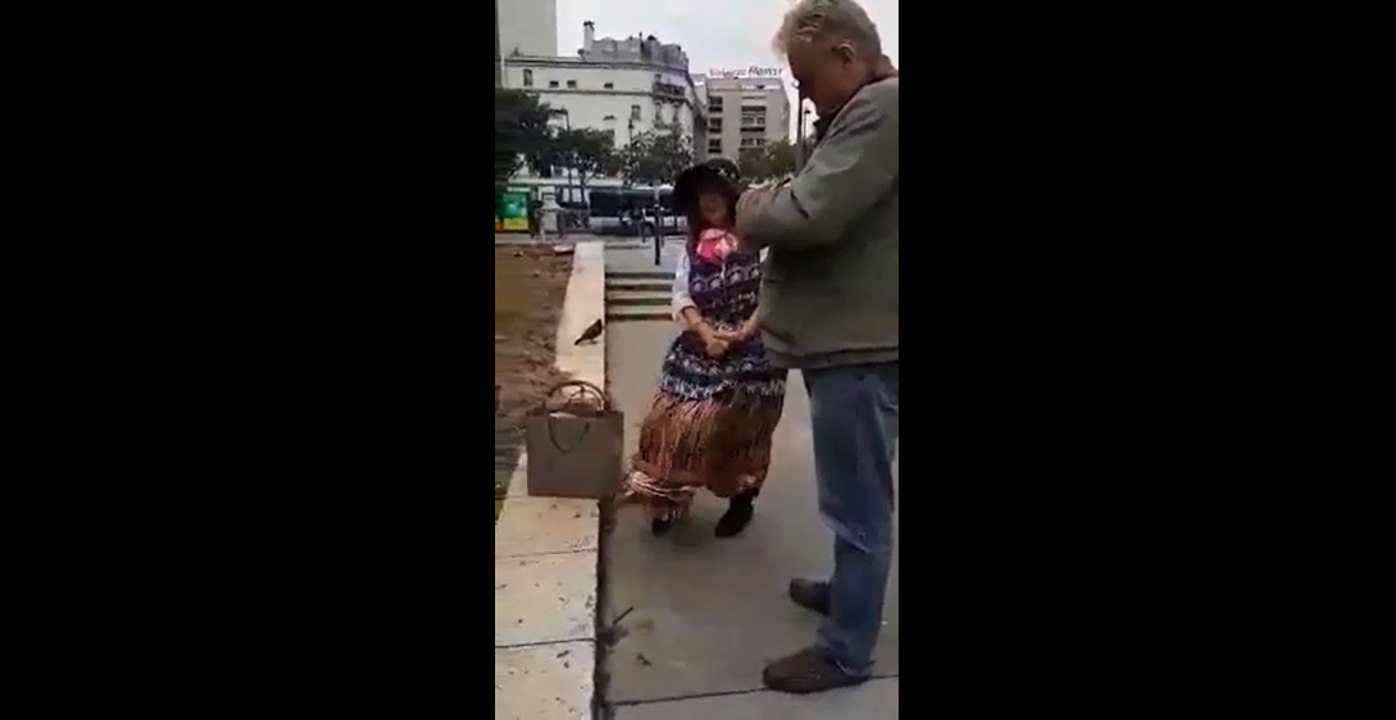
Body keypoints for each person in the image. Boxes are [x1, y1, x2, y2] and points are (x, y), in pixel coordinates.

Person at [733, 0, 900, 696]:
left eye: (805, 76)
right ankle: (848, 594)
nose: (802, 91)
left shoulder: (882, 109)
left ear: (845, 56)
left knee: (857, 504)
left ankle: (846, 650)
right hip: (853, 339)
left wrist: (750, 203)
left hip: (858, 347)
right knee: (854, 496)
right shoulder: (865, 111)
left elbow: (806, 212)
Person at [620, 158, 787, 538]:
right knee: (671, 421)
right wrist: (706, 332)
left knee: (738, 429)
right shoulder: (692, 248)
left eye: (714, 191)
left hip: (753, 349)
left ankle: (741, 501)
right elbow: (681, 295)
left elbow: (777, 288)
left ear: (732, 197)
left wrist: (748, 327)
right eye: (700, 195)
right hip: (699, 343)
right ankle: (666, 497)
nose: (706, 200)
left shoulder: (759, 243)